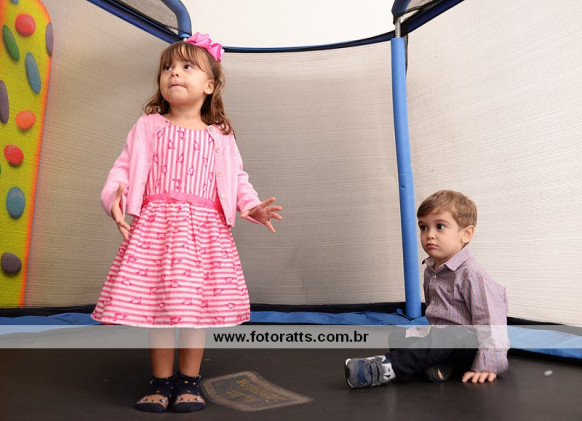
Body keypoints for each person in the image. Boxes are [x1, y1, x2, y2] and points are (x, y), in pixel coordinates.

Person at [91, 33, 282, 413]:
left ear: (209, 85)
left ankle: (189, 382)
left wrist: (251, 205)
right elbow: (123, 168)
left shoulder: (220, 136)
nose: (173, 73)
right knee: (160, 309)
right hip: (158, 230)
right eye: (167, 67)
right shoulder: (149, 126)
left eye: (186, 66)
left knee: (196, 311)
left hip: (204, 234)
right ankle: (162, 383)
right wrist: (115, 196)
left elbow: (237, 178)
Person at [345, 190, 508, 387]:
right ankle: (438, 365)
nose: (429, 235)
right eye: (423, 227)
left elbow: (492, 323)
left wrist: (488, 364)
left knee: (450, 336)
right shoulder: (431, 270)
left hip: (467, 344)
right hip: (440, 338)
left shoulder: (472, 275)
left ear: (466, 234)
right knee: (397, 336)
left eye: (440, 226)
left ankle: (384, 368)